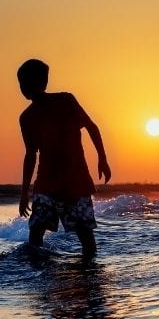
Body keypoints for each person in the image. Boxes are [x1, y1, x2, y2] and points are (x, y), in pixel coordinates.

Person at [17, 58, 111, 258]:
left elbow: (91, 127)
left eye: (26, 82)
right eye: (20, 83)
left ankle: (89, 276)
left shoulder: (66, 101)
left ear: (42, 82)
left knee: (85, 234)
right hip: (45, 183)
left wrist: (102, 158)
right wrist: (25, 193)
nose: (23, 87)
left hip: (75, 182)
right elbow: (30, 154)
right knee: (36, 230)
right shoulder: (26, 118)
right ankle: (38, 276)